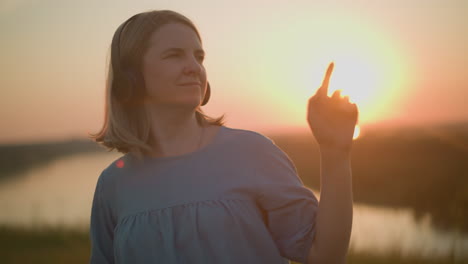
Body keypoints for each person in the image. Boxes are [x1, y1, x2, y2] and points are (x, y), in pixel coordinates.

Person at [88, 9, 358, 264]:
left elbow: (324, 255)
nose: (194, 67)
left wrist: (335, 152)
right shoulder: (113, 184)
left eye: (199, 57)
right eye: (174, 55)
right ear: (130, 76)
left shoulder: (252, 152)